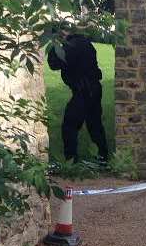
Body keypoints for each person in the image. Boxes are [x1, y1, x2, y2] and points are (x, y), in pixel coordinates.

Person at [47, 33, 110, 164]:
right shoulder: (85, 42)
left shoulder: (70, 46)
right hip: (94, 88)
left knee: (69, 125)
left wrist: (54, 46)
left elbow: (53, 64)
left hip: (83, 90)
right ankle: (103, 157)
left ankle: (71, 160)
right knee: (94, 125)